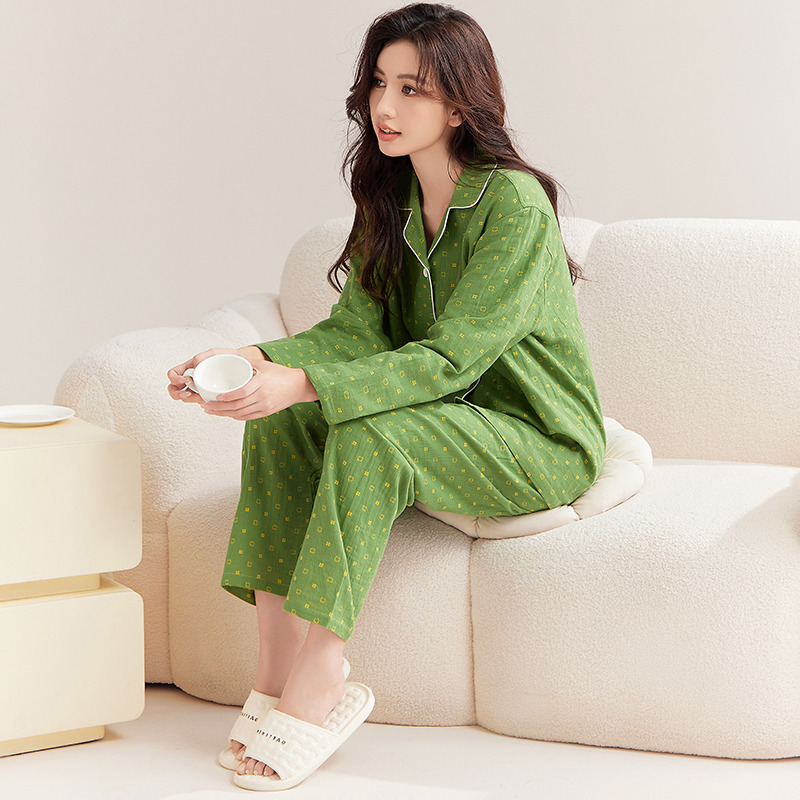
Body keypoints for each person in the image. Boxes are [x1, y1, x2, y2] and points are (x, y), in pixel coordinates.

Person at [168, 2, 605, 791]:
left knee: (369, 432)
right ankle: (274, 671)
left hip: (534, 438)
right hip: (443, 420)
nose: (385, 106)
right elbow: (354, 334)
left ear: (460, 103)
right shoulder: (391, 196)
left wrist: (305, 381)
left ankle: (323, 672)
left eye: (412, 89)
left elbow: (453, 357)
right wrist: (254, 360)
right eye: (378, 83)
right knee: (282, 421)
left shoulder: (513, 204)